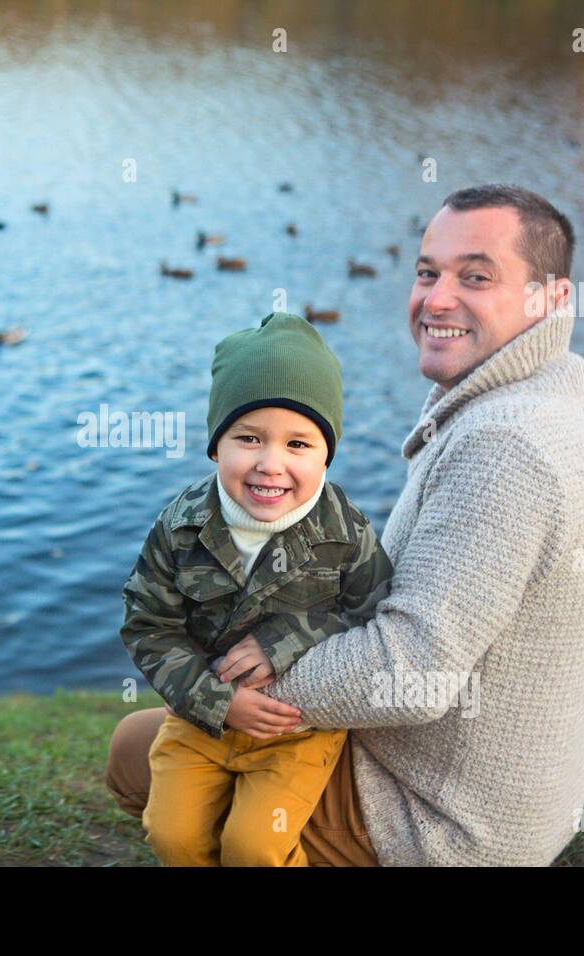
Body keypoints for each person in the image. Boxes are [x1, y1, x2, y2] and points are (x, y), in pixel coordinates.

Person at [107, 184, 584, 866]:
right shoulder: (539, 406)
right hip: (475, 785)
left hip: (440, 820)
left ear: (550, 300)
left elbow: (413, 668)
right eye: (427, 272)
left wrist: (223, 694)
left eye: (475, 276)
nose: (436, 298)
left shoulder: (507, 449)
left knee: (136, 753)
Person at [121, 312, 393, 866]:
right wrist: (215, 701)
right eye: (248, 438)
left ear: (326, 453)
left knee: (254, 845)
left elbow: (376, 615)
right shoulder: (179, 528)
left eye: (298, 444)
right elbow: (149, 627)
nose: (271, 464)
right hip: (200, 715)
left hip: (297, 729)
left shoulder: (345, 531)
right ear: (216, 446)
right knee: (172, 834)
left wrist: (288, 639)